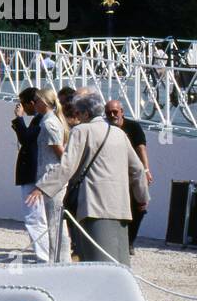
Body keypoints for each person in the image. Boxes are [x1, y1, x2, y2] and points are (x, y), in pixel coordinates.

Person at [27, 89, 149, 266]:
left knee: (96, 263)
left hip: (94, 205)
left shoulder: (81, 131)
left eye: (78, 112)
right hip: (121, 207)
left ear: (86, 112)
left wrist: (42, 187)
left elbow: (67, 166)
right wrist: (142, 198)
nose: (75, 116)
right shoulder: (119, 133)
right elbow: (137, 169)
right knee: (120, 264)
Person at [105, 100, 153, 253]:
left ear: (122, 111)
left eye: (115, 112)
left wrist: (146, 170)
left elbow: (141, 148)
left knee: (139, 207)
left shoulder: (133, 127)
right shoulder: (104, 128)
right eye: (109, 113)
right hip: (111, 174)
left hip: (132, 174)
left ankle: (130, 241)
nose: (112, 115)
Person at [32, 87, 72, 262]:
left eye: (36, 100)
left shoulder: (49, 123)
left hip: (52, 178)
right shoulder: (48, 121)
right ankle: (58, 259)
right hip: (48, 177)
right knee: (54, 222)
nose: (34, 104)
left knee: (55, 223)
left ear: (44, 102)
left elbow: (60, 154)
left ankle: (58, 261)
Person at [11, 88, 48, 261]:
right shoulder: (39, 119)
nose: (23, 109)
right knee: (37, 217)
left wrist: (19, 119)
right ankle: (43, 254)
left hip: (34, 174)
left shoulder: (41, 120)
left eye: (24, 104)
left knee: (34, 217)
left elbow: (26, 138)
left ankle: (44, 255)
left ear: (31, 103)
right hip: (34, 173)